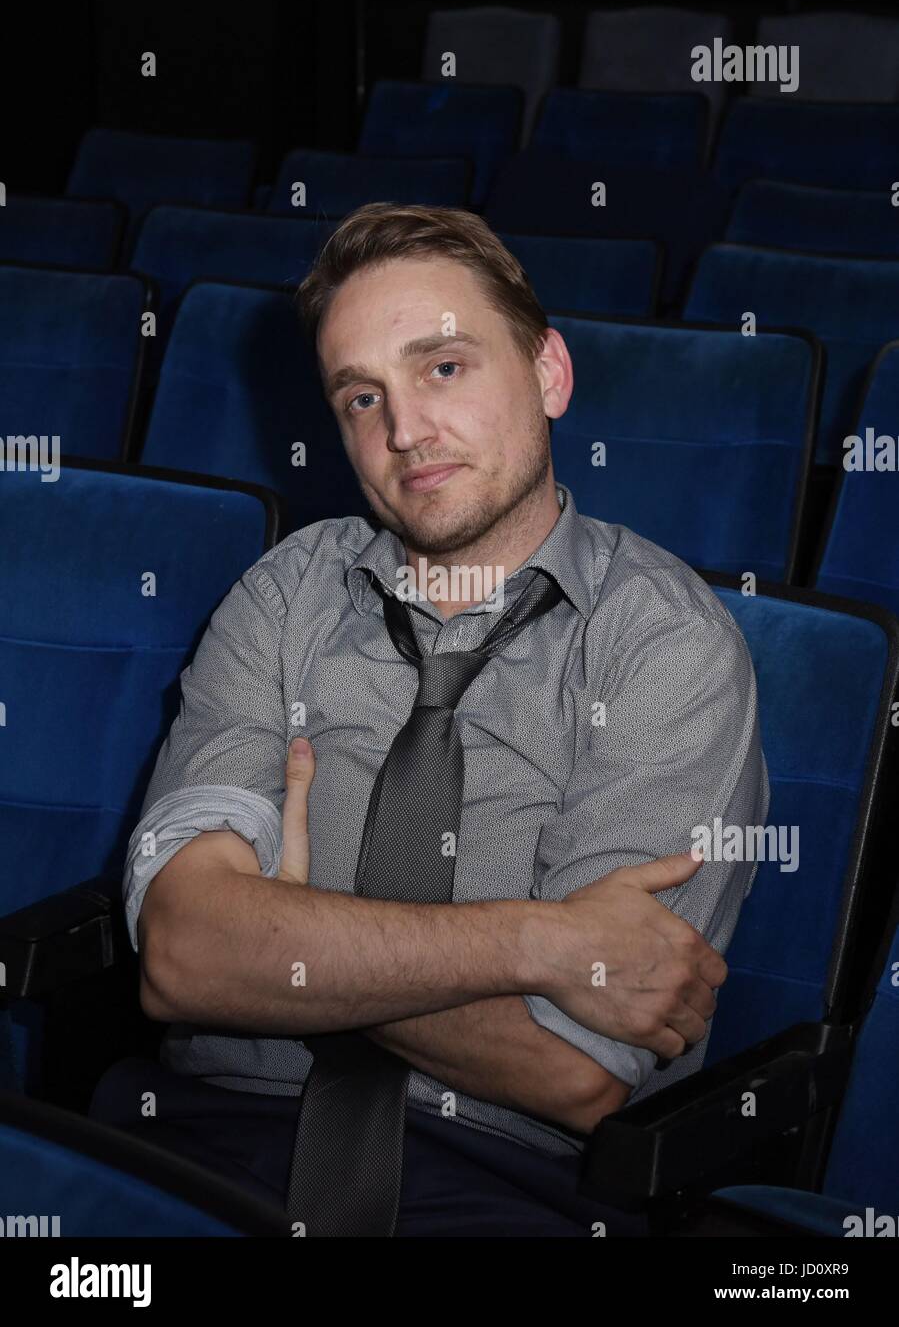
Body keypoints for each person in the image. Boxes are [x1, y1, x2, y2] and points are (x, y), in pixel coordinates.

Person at [90, 204, 769, 1237]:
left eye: (442, 367)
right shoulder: (281, 595)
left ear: (547, 373)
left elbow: (573, 1070)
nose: (403, 431)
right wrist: (538, 941)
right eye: (361, 396)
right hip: (198, 1136)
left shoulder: (664, 645)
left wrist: (286, 932)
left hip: (494, 1180)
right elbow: (184, 954)